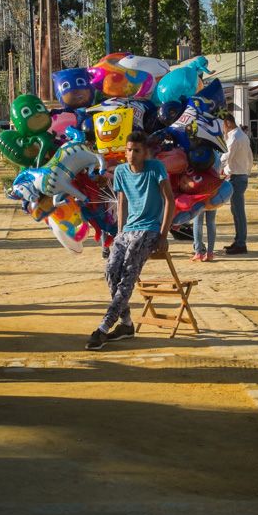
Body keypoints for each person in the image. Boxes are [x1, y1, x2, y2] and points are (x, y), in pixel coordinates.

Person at [86, 130, 175, 350]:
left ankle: (104, 327)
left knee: (127, 275)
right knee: (110, 271)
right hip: (127, 230)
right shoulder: (121, 172)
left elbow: (169, 200)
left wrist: (163, 235)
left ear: (145, 153)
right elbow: (122, 202)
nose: (132, 154)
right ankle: (126, 324)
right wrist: (119, 233)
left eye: (137, 151)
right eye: (129, 150)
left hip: (149, 230)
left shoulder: (156, 168)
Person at [221, 114, 252, 255]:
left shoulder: (234, 137)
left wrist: (215, 165)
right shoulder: (242, 135)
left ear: (227, 123)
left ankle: (241, 243)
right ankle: (239, 240)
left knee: (238, 212)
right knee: (236, 211)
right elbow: (250, 156)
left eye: (222, 125)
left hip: (236, 177)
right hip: (241, 175)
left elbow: (227, 156)